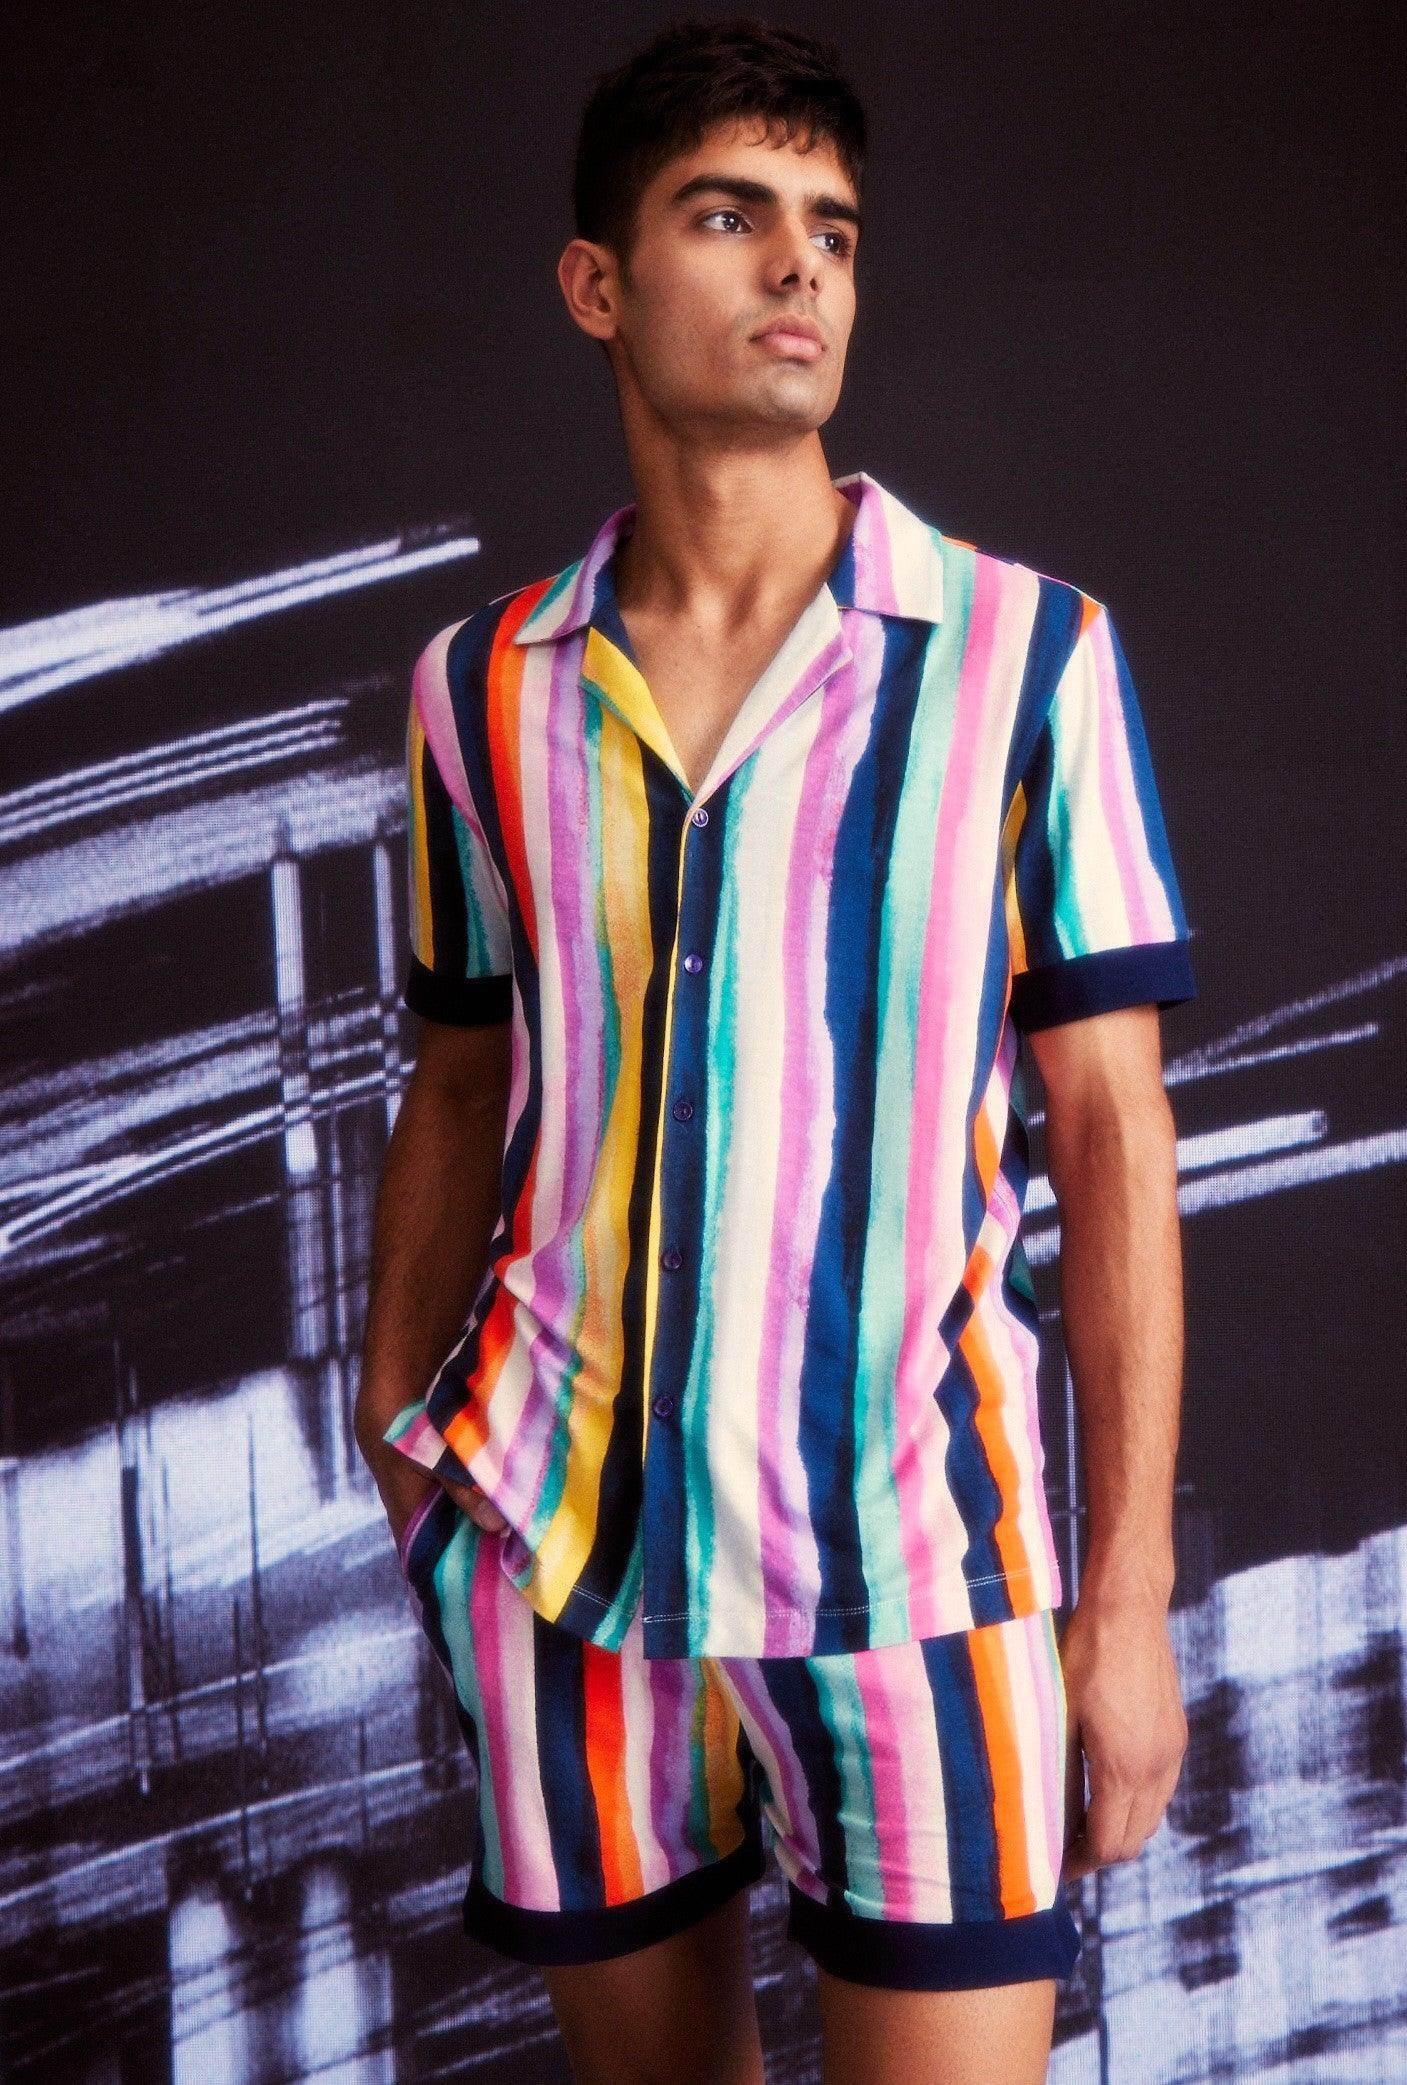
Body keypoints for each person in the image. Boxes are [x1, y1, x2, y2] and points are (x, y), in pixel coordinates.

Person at [355, 18, 1197, 2084]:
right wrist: (396, 1425)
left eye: (829, 227)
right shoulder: (480, 688)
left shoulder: (1027, 658)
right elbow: (455, 1076)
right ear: (597, 284)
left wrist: (1125, 1596)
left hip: (917, 1568)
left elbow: (1110, 1132)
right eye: (727, 217)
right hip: (561, 1559)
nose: (798, 263)